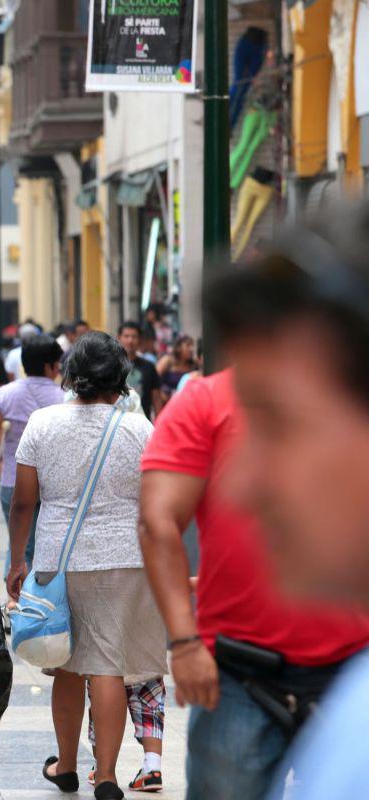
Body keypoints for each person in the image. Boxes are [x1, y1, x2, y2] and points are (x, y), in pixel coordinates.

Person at [150, 204, 369, 800]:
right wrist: (184, 641)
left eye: (278, 424)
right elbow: (157, 519)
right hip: (244, 667)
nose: (240, 486)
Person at [5, 332, 166, 800]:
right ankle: (109, 775)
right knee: (109, 665)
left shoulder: (42, 422)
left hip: (59, 559)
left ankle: (68, 765)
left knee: (67, 663)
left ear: (71, 375)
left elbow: (22, 503)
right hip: (124, 560)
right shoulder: (140, 429)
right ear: (121, 377)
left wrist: (19, 559)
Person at [0, 334, 65, 569]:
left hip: (12, 481)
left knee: (17, 541)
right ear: (49, 366)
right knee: (42, 545)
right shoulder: (65, 398)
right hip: (52, 482)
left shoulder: (4, 394)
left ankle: (15, 593)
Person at [117, 321, 164, 419]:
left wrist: (158, 421)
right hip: (117, 423)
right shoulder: (111, 367)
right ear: (119, 338)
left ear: (140, 340)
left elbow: (156, 398)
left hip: (143, 421)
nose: (130, 340)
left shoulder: (149, 367)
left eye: (134, 336)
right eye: (126, 336)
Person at [155, 334, 198, 398]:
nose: (191, 349)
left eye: (192, 345)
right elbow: (153, 378)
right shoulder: (167, 361)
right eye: (188, 345)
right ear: (178, 348)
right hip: (165, 402)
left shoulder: (194, 365)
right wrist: (161, 393)